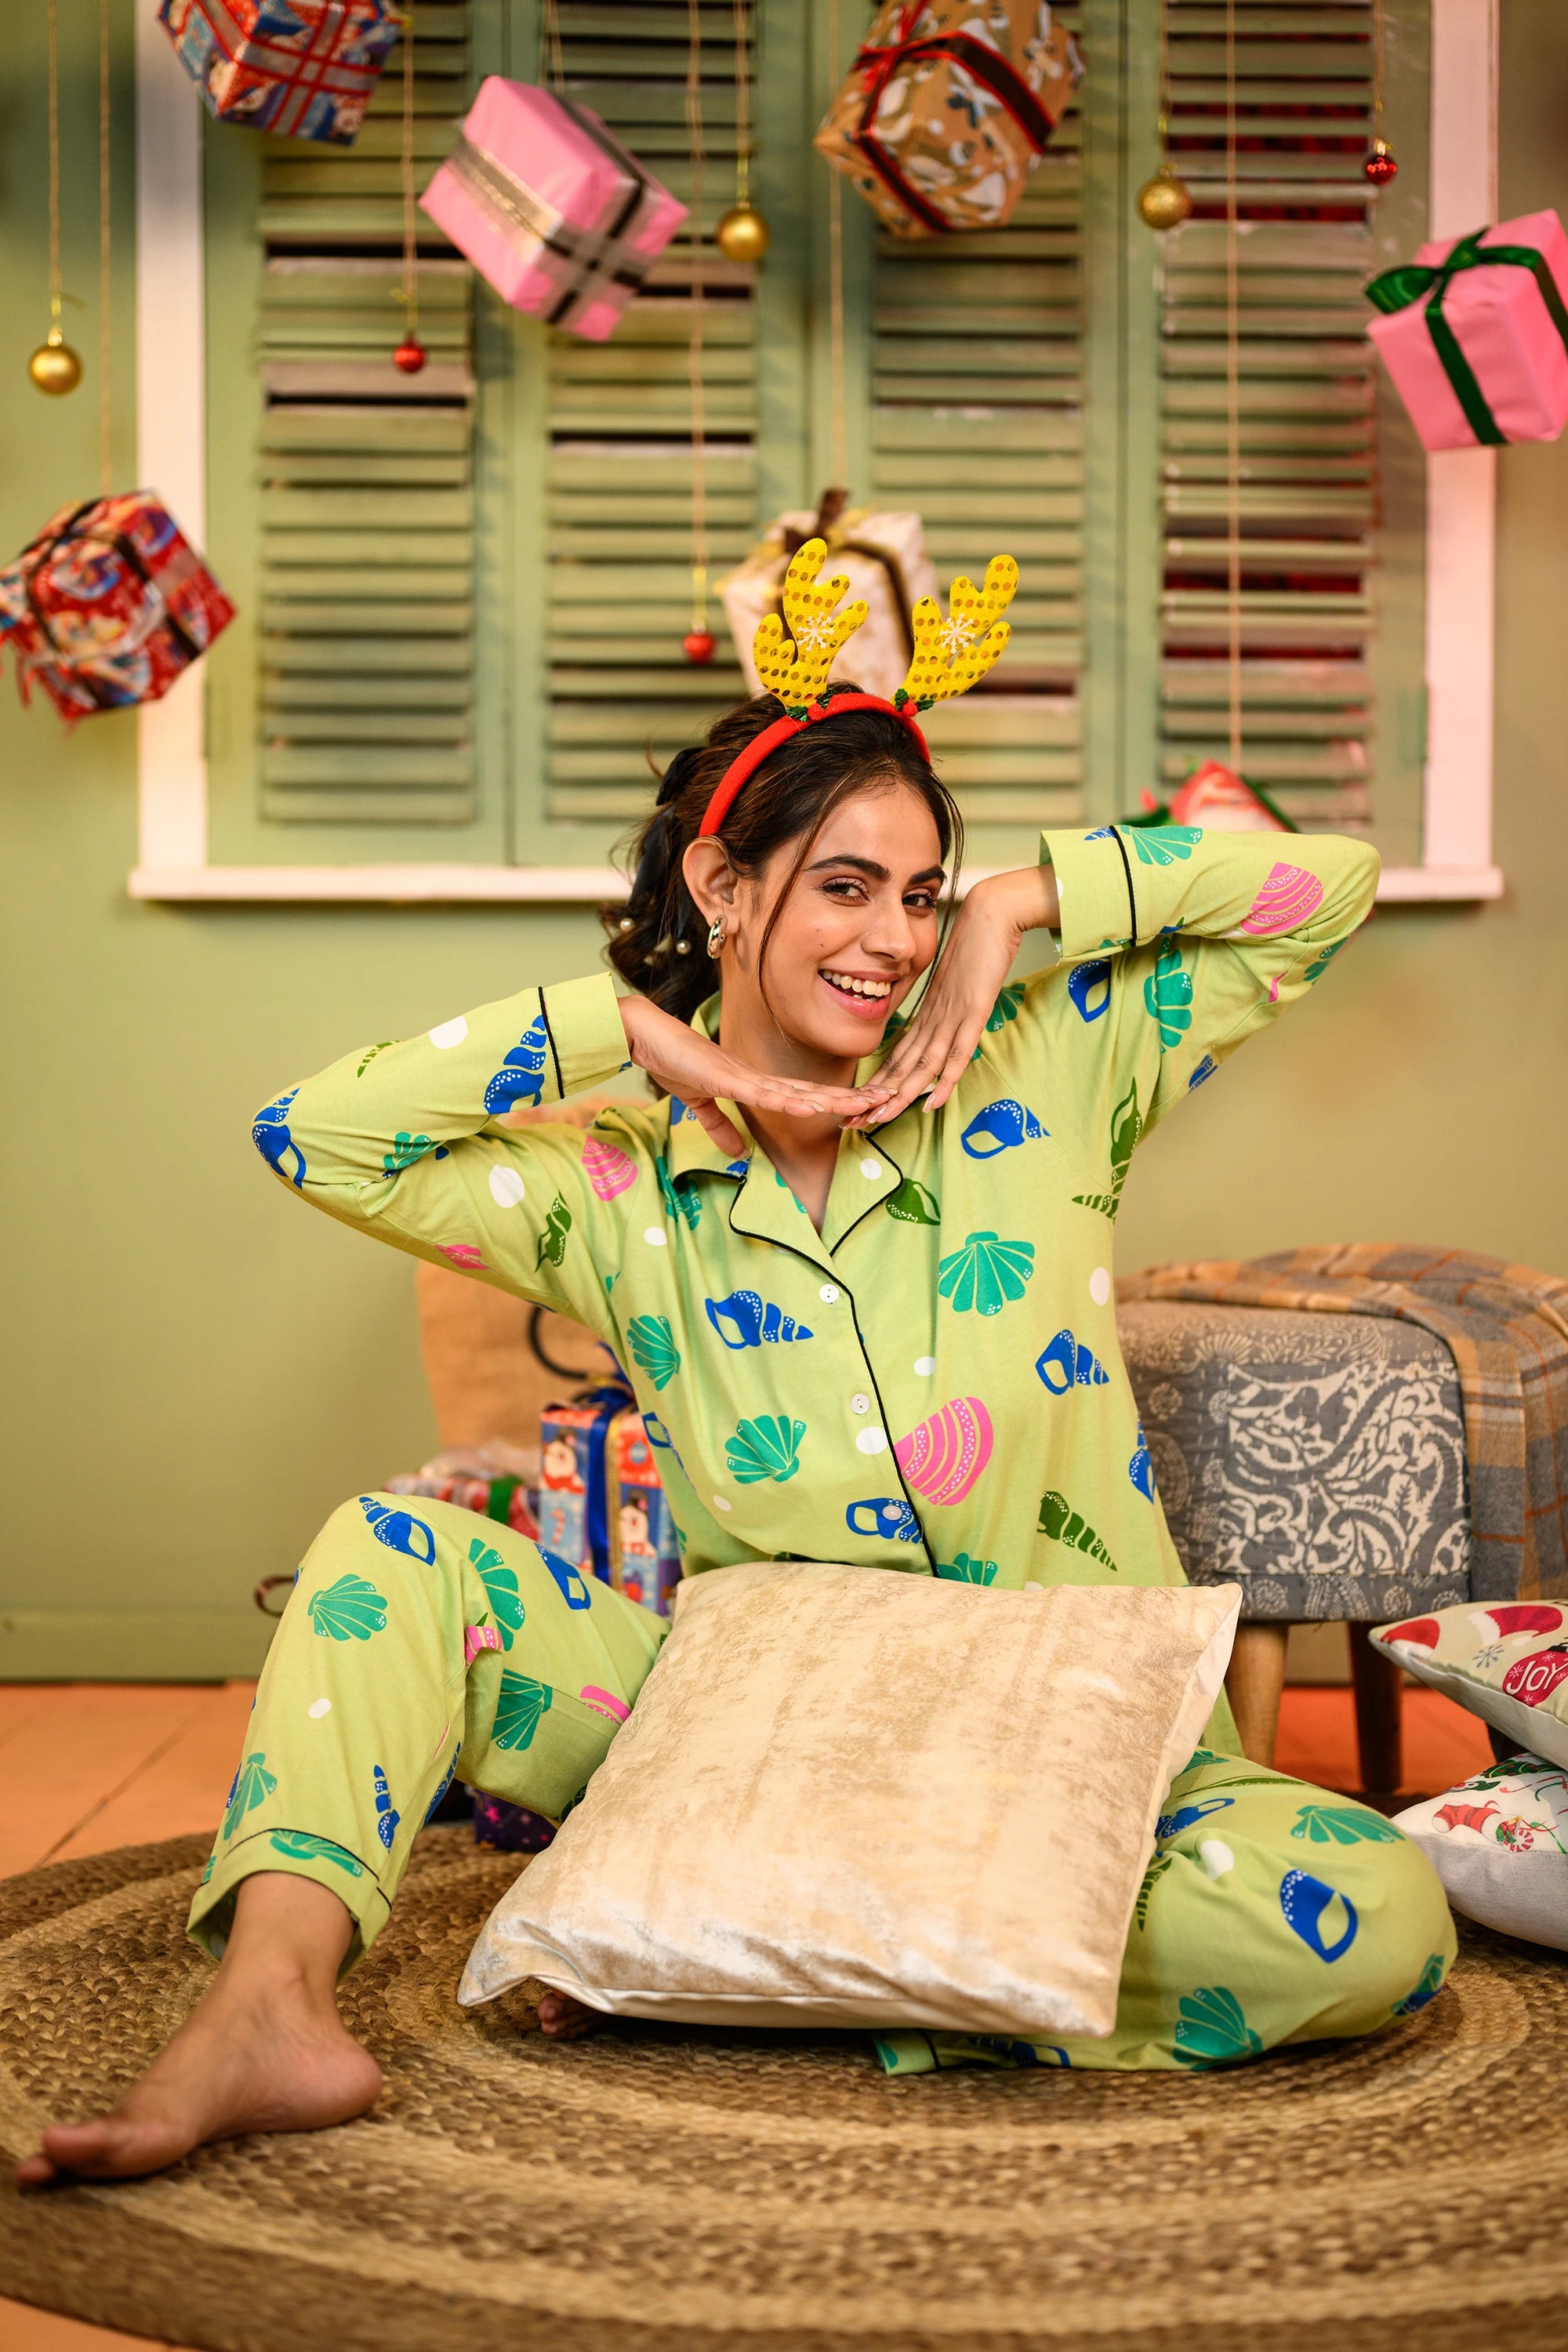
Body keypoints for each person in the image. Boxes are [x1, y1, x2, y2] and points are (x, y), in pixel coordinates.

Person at [20, 546, 1453, 2185]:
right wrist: (623, 1026)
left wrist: (1016, 906)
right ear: (723, 888)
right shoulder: (614, 1177)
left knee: (1375, 1918)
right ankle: (270, 2009)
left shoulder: (1055, 1068)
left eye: (917, 894)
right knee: (383, 1559)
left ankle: (723, 1957)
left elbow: (1326, 879)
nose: (892, 938)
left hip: (1073, 1734)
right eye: (845, 885)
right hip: (741, 1738)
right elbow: (315, 1134)